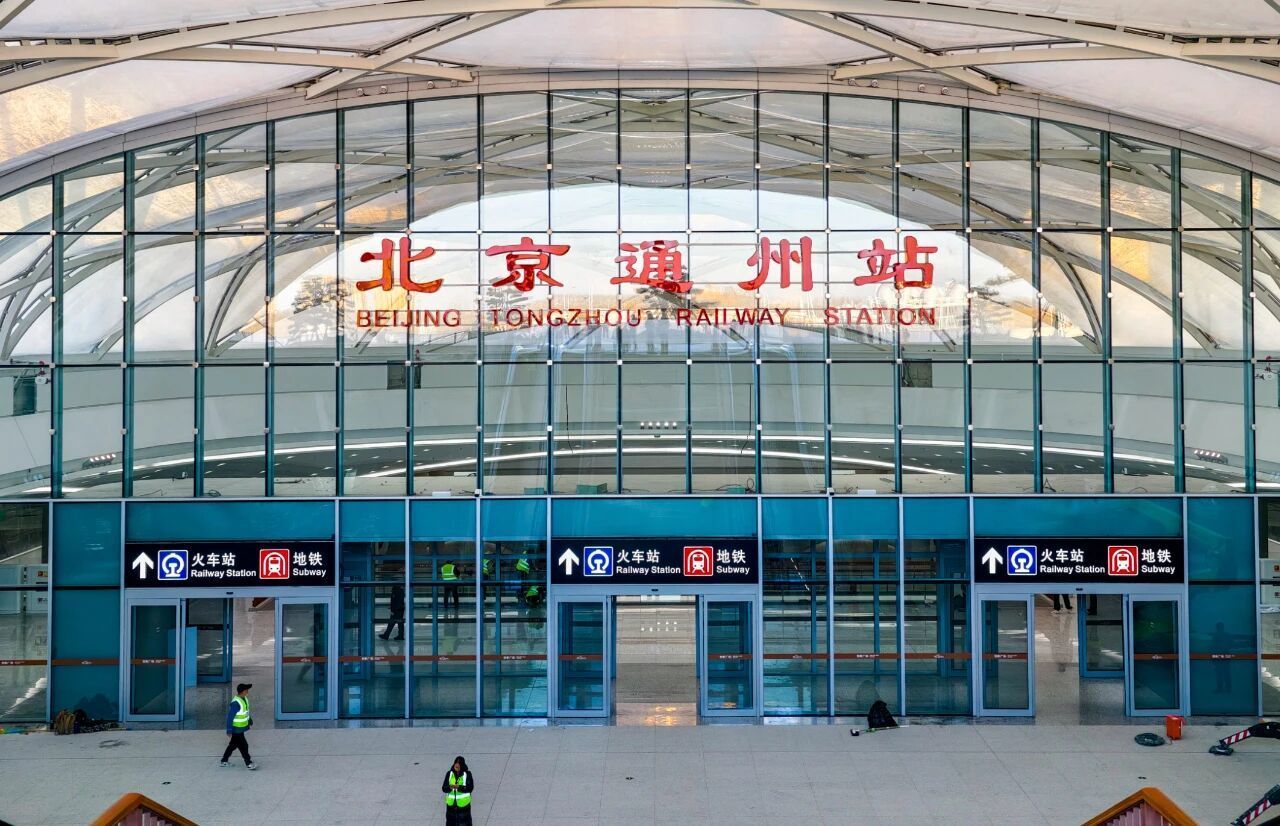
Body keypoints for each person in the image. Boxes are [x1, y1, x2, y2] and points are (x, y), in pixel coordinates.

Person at [220, 683, 257, 770]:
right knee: (244, 745)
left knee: (233, 745)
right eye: (246, 690)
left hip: (240, 728)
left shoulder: (244, 699)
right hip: (236, 729)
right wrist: (229, 730)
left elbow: (245, 712)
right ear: (243, 691)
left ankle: (224, 760)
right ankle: (248, 763)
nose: (247, 691)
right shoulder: (236, 703)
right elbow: (230, 717)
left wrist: (249, 719)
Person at [442, 755, 475, 825]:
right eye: (455, 764)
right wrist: (450, 787)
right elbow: (444, 788)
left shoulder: (467, 774)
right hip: (451, 806)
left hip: (463, 805)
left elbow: (470, 788)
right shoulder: (449, 774)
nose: (456, 766)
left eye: (458, 764)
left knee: (464, 823)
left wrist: (459, 787)